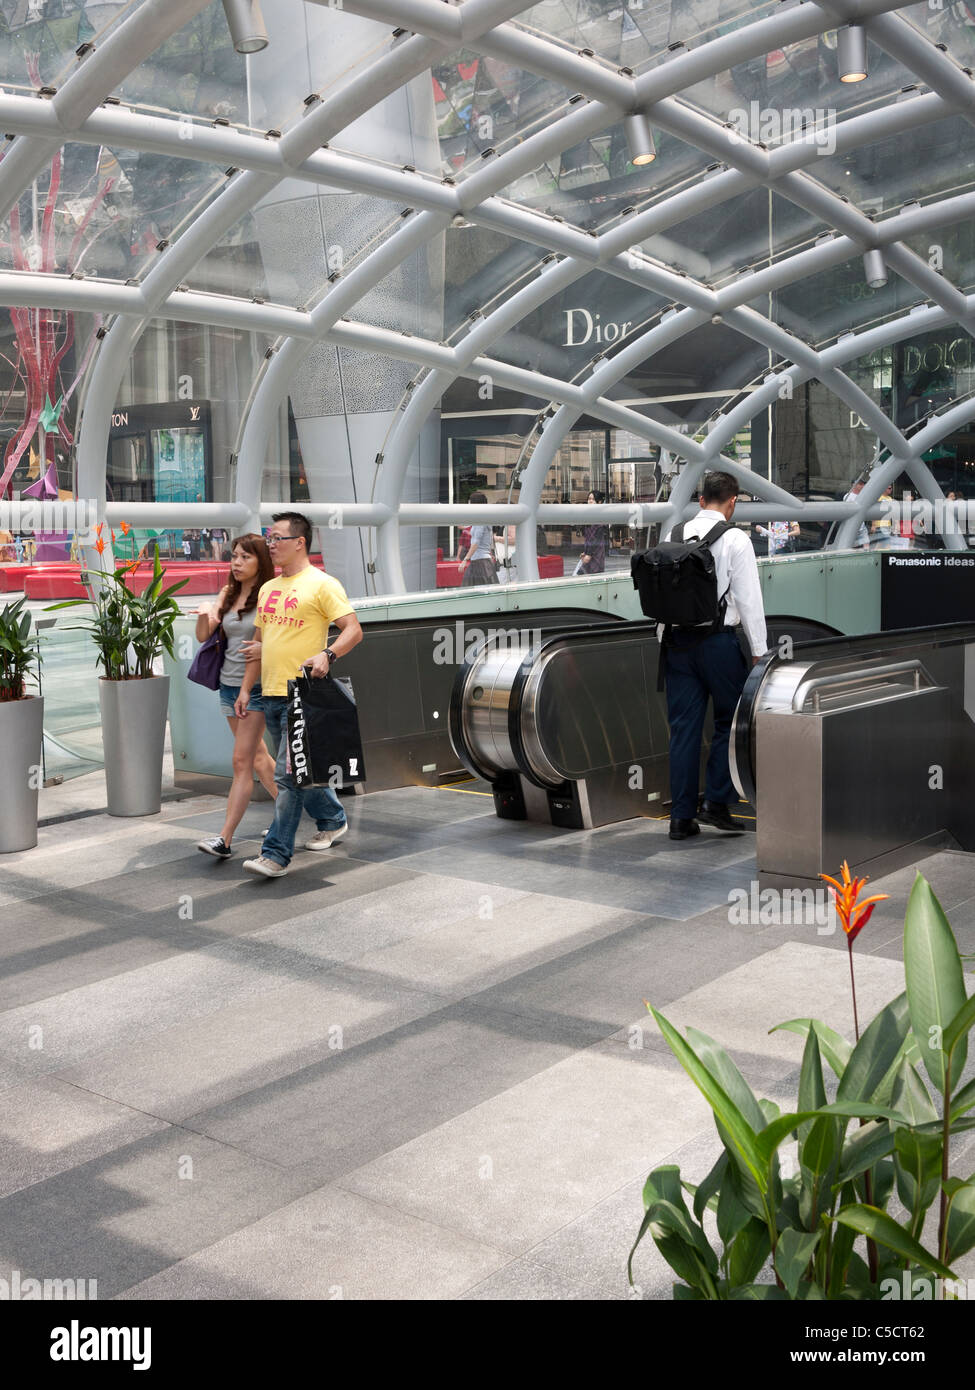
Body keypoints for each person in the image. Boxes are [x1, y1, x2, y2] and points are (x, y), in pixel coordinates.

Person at [238, 511, 363, 878]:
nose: (270, 544)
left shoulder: (322, 585)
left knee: (286, 778)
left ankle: (276, 854)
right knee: (299, 773)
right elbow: (260, 645)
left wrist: (328, 654)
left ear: (299, 542)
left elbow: (353, 630)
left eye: (276, 538)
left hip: (301, 697)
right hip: (270, 693)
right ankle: (333, 817)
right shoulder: (268, 589)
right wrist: (247, 688)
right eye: (268, 537)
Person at [662, 471, 768, 842]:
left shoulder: (673, 534)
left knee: (684, 730)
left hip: (676, 644)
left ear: (701, 499)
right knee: (731, 719)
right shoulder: (735, 539)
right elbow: (749, 599)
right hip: (717, 643)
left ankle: (680, 817)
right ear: (732, 501)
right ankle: (718, 803)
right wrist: (759, 651)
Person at [194, 533, 278, 859]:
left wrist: (246, 689)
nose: (238, 563)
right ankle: (294, 812)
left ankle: (225, 839)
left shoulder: (269, 596)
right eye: (235, 557)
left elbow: (265, 647)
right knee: (257, 758)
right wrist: (205, 612)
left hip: (254, 688)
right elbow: (205, 635)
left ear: (261, 562)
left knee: (241, 761)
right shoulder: (228, 593)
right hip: (228, 687)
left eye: (246, 557)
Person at [457, 493, 498, 585]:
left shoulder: (480, 519)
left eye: (470, 502)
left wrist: (465, 559)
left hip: (480, 562)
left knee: (475, 591)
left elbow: (476, 542)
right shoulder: (483, 518)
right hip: (481, 561)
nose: (468, 505)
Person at [577, 489, 608, 574]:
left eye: (593, 499)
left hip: (596, 553)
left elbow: (596, 539)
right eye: (589, 499)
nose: (590, 501)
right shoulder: (588, 516)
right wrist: (585, 552)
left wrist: (588, 554)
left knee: (594, 575)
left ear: (599, 502)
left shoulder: (600, 517)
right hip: (589, 552)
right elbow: (588, 538)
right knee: (584, 575)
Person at [843, 480, 870, 548]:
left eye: (863, 484)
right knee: (851, 545)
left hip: (861, 525)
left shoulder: (863, 496)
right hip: (851, 526)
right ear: (854, 485)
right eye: (860, 484)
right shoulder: (848, 496)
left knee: (866, 543)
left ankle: (866, 556)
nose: (863, 486)